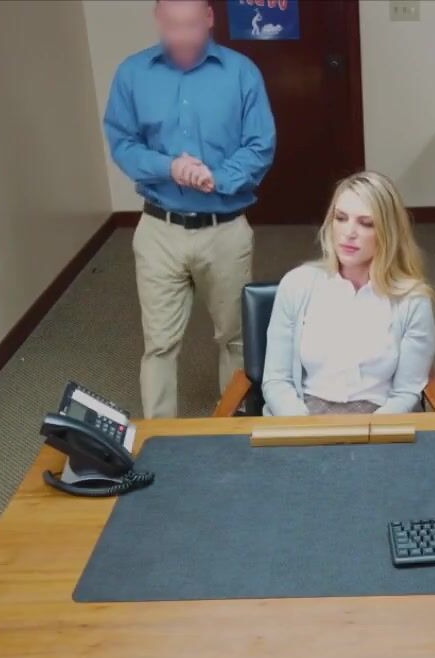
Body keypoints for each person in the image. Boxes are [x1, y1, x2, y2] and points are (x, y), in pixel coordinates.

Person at [103, 0, 276, 418]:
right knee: (159, 344)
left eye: (191, 26)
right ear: (157, 20)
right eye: (172, 26)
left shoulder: (242, 73)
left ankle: (234, 425)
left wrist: (217, 177)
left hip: (225, 229)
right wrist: (170, 167)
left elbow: (260, 145)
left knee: (236, 337)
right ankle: (160, 435)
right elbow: (123, 143)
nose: (181, 37)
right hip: (159, 229)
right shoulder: (132, 73)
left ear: (210, 19)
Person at [262, 172, 435, 416]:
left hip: (380, 416)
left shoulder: (412, 301)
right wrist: (304, 427)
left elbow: (406, 393)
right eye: (341, 218)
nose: (349, 232)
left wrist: (371, 431)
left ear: (388, 232)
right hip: (304, 413)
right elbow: (276, 381)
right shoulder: (297, 284)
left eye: (366, 223)